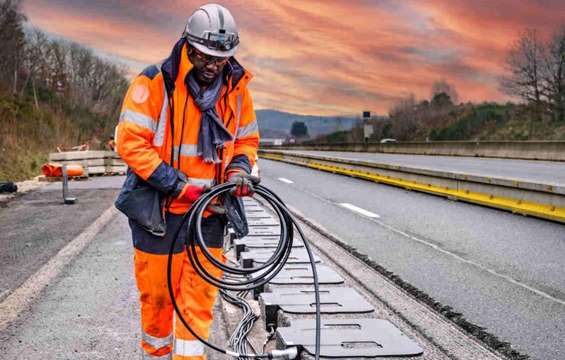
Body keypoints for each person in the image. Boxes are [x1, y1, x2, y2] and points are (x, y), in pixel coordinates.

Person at [115, 4, 259, 359]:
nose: (213, 66)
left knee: (198, 302)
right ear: (189, 47)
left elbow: (246, 140)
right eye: (207, 57)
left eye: (221, 59)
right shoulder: (154, 84)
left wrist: (239, 170)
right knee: (159, 299)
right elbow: (130, 142)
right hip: (160, 215)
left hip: (208, 214)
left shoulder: (236, 90)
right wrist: (177, 184)